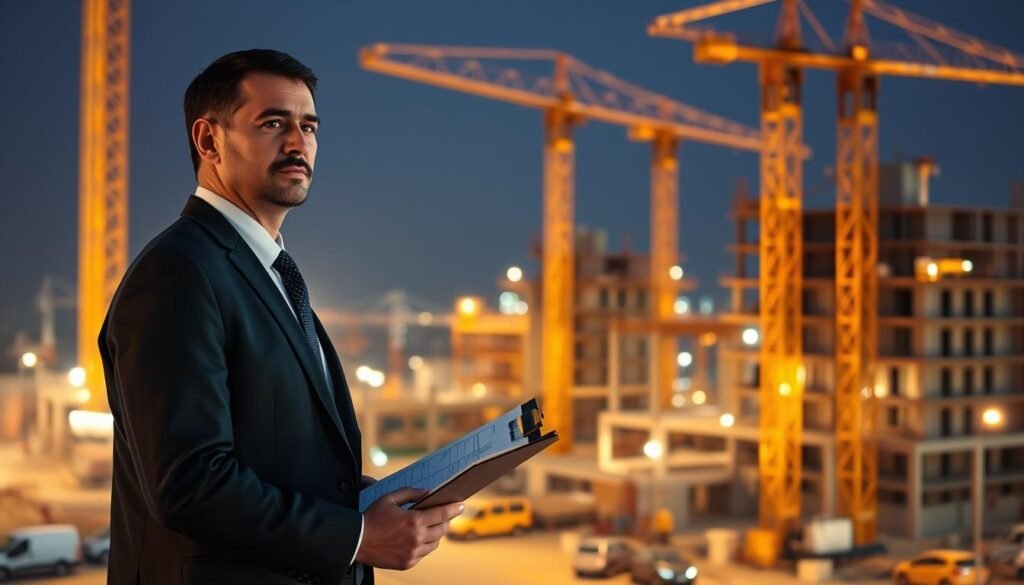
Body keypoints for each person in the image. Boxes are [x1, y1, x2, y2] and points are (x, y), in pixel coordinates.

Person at [99, 49, 462, 585]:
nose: (298, 143)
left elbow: (267, 454)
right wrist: (357, 537)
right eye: (273, 123)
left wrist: (355, 498)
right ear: (209, 141)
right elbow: (189, 483)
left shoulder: (269, 271)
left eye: (308, 126)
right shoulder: (178, 273)